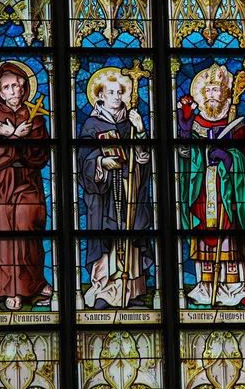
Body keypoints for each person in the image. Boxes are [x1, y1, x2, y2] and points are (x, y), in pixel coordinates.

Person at [177, 63, 245, 307]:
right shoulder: (197, 123)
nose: (212, 94)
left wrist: (229, 158)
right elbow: (185, 157)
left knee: (231, 235)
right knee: (204, 233)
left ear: (226, 93)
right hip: (202, 189)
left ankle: (235, 287)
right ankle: (206, 285)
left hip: (229, 191)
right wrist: (185, 132)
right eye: (208, 90)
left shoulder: (237, 125)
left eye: (217, 89)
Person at [0, 61, 52, 311]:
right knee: (6, 233)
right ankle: (11, 290)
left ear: (24, 88)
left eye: (17, 86)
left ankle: (33, 284)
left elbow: (41, 156)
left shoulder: (36, 120)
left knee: (27, 228)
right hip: (2, 184)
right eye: (7, 87)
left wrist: (17, 138)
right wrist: (14, 138)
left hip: (29, 181)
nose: (13, 91)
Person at [77, 68, 154, 310]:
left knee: (130, 233)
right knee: (106, 239)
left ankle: (131, 291)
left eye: (120, 92)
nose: (116, 96)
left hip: (130, 188)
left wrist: (140, 131)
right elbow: (82, 160)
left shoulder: (130, 122)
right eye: (111, 92)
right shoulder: (91, 125)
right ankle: (104, 289)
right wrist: (101, 162)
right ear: (100, 95)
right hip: (103, 195)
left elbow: (143, 158)